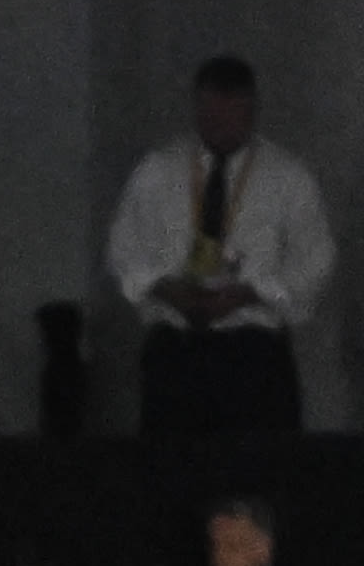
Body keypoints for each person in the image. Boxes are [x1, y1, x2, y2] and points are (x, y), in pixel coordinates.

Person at [106, 54, 331, 433]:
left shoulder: (288, 178)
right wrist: (163, 287)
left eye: (231, 117)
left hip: (252, 352)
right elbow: (123, 248)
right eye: (210, 117)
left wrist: (252, 293)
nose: (219, 128)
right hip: (177, 350)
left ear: (251, 111)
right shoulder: (159, 171)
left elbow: (314, 262)